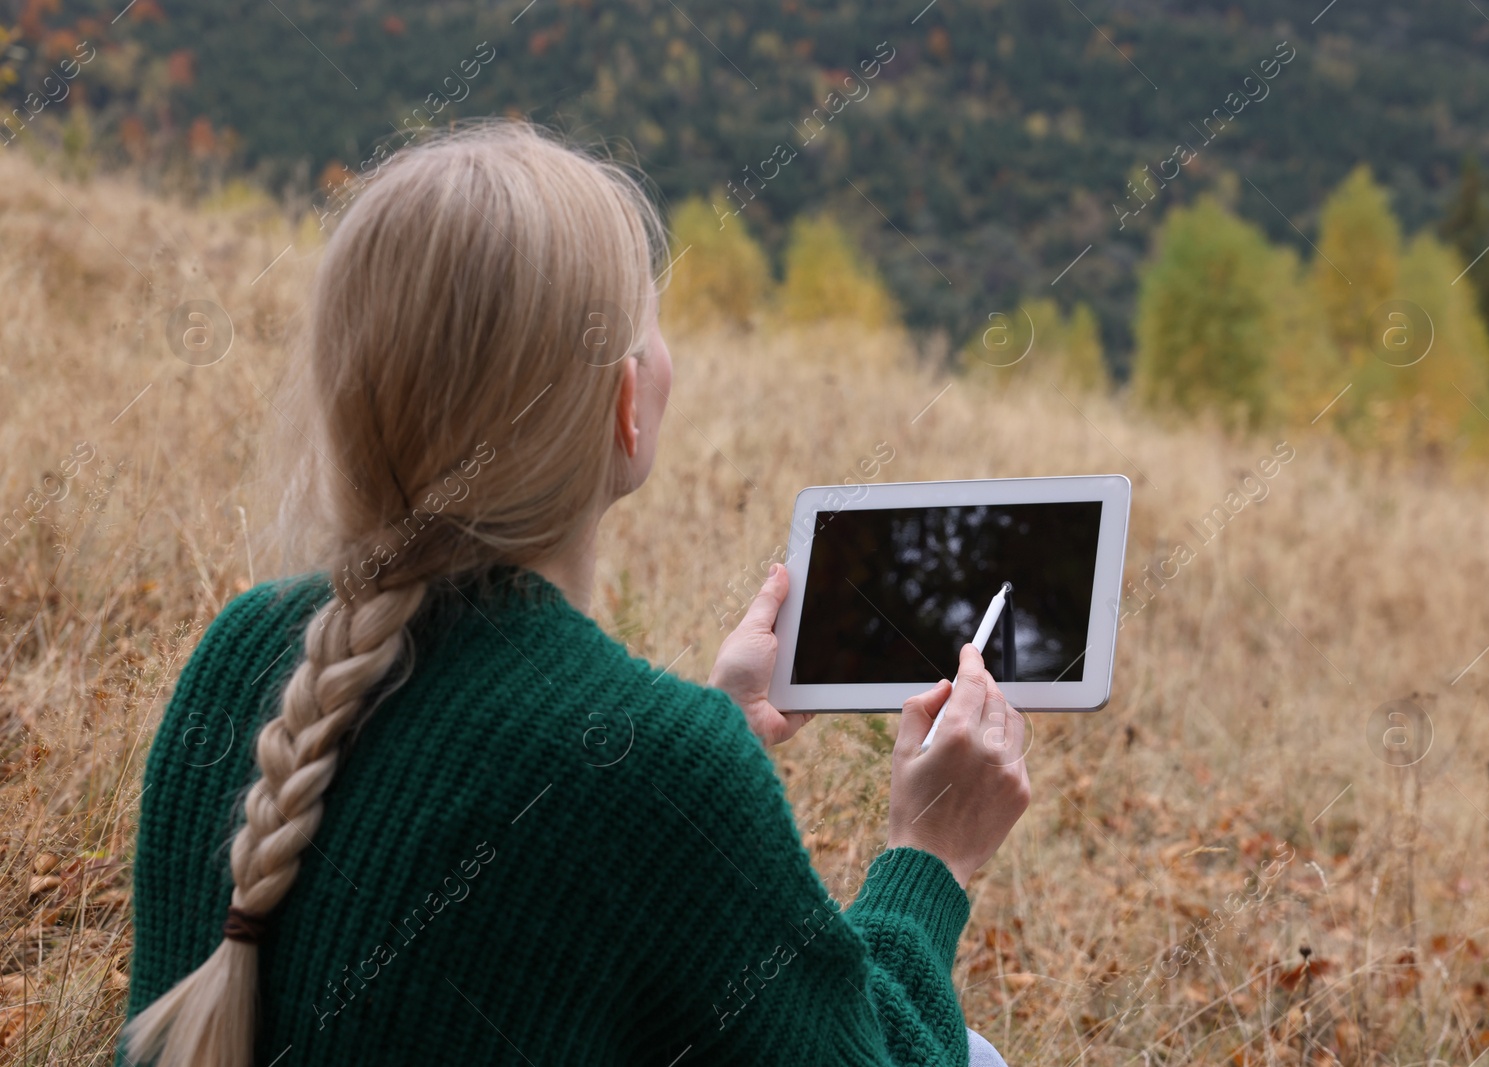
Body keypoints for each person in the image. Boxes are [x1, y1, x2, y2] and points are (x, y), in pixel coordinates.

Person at [120, 120, 1030, 1067]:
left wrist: (702, 736)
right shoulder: (664, 775)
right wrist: (931, 855)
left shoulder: (242, 651)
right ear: (626, 407)